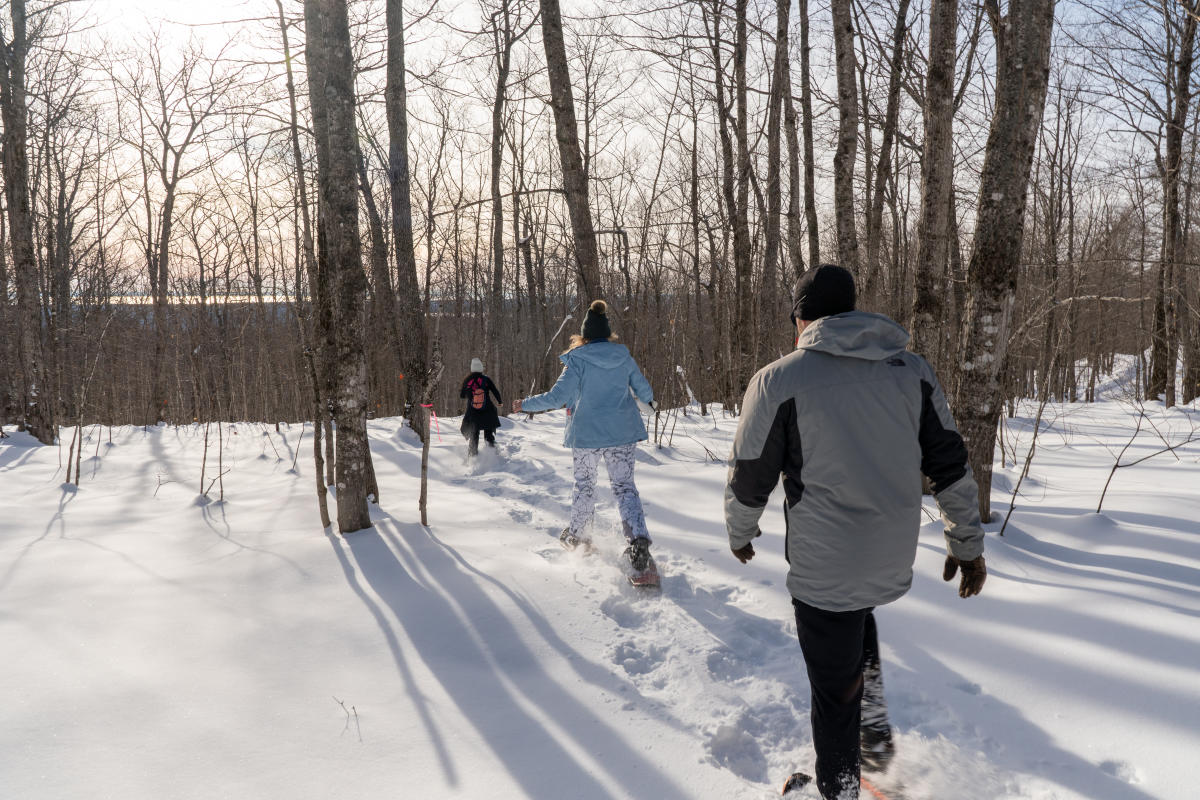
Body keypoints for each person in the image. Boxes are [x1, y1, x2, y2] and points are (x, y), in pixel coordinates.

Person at [724, 264, 986, 800]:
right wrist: (967, 545)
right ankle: (874, 745)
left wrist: (740, 532)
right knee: (854, 620)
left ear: (801, 318)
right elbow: (951, 464)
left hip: (827, 562)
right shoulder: (911, 370)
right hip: (889, 554)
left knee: (832, 690)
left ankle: (839, 788)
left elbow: (750, 473)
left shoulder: (780, 379)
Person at [513, 300, 658, 571]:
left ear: (583, 335)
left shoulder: (577, 360)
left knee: (585, 485)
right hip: (622, 433)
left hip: (586, 436)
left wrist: (525, 404)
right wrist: (650, 404)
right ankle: (638, 539)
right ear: (608, 334)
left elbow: (558, 397)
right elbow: (646, 393)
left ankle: (579, 537)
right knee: (625, 487)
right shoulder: (623, 357)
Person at [460, 358, 502, 457]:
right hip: (487, 410)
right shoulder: (486, 379)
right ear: (481, 368)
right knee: (488, 433)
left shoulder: (467, 380)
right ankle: (492, 455)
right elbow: (495, 391)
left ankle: (473, 458)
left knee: (474, 435)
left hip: (473, 412)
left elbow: (462, 395)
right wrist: (500, 402)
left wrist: (471, 395)